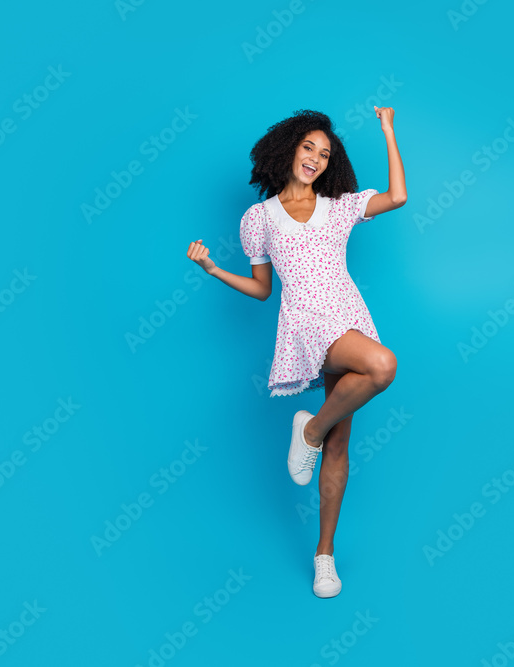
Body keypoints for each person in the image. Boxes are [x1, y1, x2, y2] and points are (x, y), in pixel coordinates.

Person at [186, 107, 407, 598]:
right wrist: (214, 270)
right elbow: (264, 289)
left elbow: (398, 196)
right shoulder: (257, 219)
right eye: (309, 147)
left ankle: (323, 556)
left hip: (349, 315)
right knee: (383, 364)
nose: (316, 158)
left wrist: (388, 130)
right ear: (288, 149)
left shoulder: (340, 205)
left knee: (339, 445)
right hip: (306, 324)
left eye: (325, 154)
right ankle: (308, 428)